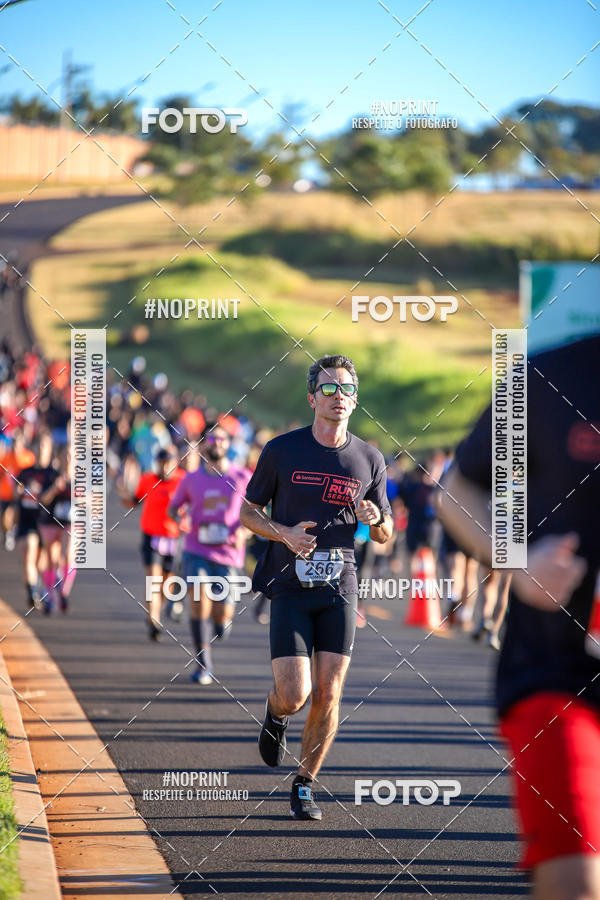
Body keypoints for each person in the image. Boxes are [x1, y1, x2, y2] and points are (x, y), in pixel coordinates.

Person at [436, 333, 600, 900]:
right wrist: (517, 557)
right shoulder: (549, 378)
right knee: (578, 880)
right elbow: (458, 488)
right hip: (563, 672)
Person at [240, 354, 393, 821]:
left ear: (355, 398)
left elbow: (386, 534)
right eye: (328, 389)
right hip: (290, 584)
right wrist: (284, 533)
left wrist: (377, 520)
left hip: (340, 587)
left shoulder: (369, 459)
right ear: (312, 398)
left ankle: (305, 783)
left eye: (346, 389)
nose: (338, 397)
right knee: (295, 693)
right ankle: (275, 712)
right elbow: (247, 514)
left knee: (330, 691)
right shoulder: (281, 451)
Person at [168, 422, 251, 685]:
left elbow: (257, 513)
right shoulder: (191, 479)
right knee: (198, 602)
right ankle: (203, 663)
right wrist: (180, 518)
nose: (216, 443)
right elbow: (174, 509)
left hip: (228, 556)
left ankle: (222, 621)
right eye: (212, 439)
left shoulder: (242, 477)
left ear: (229, 444)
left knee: (221, 614)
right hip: (197, 550)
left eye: (222, 439)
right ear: (204, 445)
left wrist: (244, 533)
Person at [120, 446, 185, 641]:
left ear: (175, 463)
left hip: (172, 538)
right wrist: (125, 495)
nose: (165, 467)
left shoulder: (183, 481)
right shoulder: (148, 480)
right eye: (162, 463)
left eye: (169, 463)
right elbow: (135, 500)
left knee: (168, 584)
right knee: (153, 580)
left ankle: (158, 609)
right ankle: (154, 620)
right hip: (152, 536)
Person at [14, 431, 56, 611]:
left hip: (45, 522)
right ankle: (31, 592)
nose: (41, 449)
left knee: (40, 562)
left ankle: (40, 589)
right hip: (27, 520)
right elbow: (17, 496)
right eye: (38, 446)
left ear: (50, 449)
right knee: (27, 552)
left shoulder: (53, 475)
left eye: (44, 446)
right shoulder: (25, 472)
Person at [38, 445, 75, 613]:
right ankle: (50, 594)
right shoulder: (50, 475)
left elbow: (93, 500)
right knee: (51, 559)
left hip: (70, 522)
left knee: (68, 554)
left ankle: (64, 591)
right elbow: (42, 500)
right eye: (65, 455)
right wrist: (55, 488)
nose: (68, 459)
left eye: (71, 456)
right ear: (59, 458)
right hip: (50, 521)